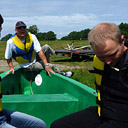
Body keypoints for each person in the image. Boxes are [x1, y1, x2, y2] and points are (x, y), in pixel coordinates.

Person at [50, 23, 128, 128]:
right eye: (102, 57)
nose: (108, 62)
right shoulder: (100, 60)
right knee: (58, 125)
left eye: (112, 54)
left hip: (123, 119)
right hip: (104, 113)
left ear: (122, 40)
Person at [0, 15, 47, 128]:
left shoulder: (31, 37)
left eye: (0, 27)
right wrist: (11, 67)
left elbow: (40, 51)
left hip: (1, 113)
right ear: (16, 30)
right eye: (19, 28)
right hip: (26, 66)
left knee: (40, 125)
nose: (22, 30)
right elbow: (8, 56)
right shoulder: (11, 41)